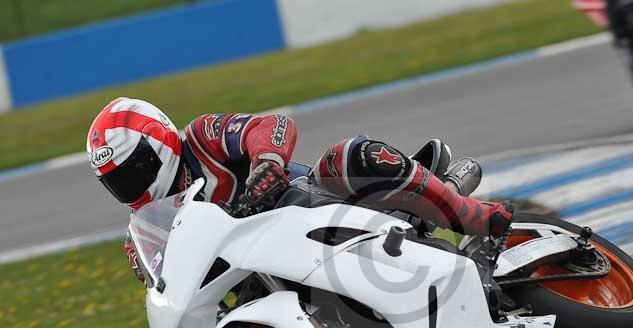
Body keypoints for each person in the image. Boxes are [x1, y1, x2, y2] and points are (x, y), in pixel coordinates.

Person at [86, 97, 513, 282]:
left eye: (132, 171)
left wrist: (267, 163)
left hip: (317, 205)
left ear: (157, 146)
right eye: (116, 182)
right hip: (271, 270)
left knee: (348, 155)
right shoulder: (144, 232)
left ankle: (473, 214)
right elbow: (165, 288)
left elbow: (269, 126)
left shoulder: (201, 137)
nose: (130, 186)